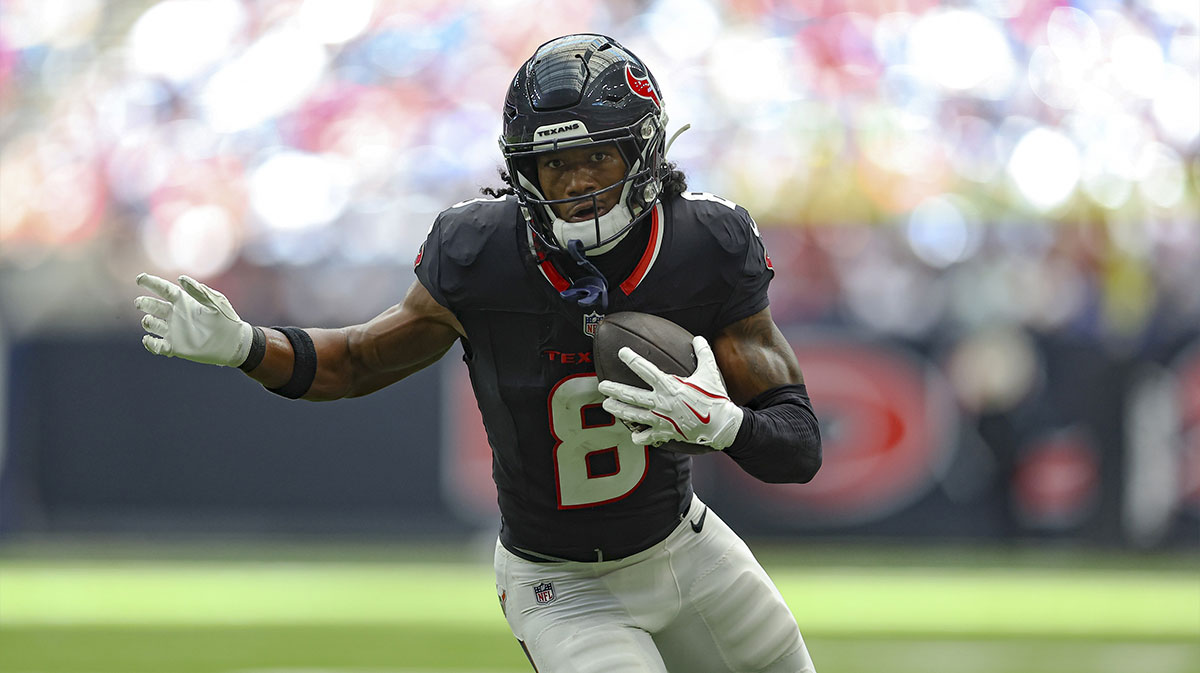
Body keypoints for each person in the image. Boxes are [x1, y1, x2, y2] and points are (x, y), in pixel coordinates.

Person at [135, 34, 822, 673]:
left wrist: (726, 425)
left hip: (688, 549)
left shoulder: (706, 242)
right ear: (525, 171)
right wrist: (245, 346)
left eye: (596, 157)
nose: (578, 182)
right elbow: (356, 361)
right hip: (562, 583)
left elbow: (799, 446)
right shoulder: (481, 252)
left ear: (643, 151)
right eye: (556, 163)